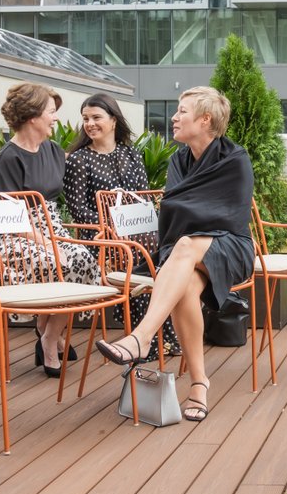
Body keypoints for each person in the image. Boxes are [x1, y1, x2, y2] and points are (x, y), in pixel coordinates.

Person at [94, 86, 254, 423]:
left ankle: (141, 337)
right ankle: (199, 384)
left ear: (205, 119)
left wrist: (189, 216)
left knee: (185, 246)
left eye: (182, 111)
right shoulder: (179, 160)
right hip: (184, 252)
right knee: (185, 288)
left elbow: (223, 215)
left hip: (230, 247)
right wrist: (188, 214)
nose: (174, 117)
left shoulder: (235, 159)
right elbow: (176, 207)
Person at [0, 82, 99, 377]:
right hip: (9, 236)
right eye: (51, 111)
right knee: (55, 260)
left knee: (84, 258)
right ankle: (49, 341)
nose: (55, 117)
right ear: (33, 116)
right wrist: (46, 243)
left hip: (51, 227)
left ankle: (48, 330)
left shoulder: (53, 150)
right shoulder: (7, 158)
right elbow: (1, 217)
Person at [62, 93, 177, 362]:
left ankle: (158, 336)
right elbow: (78, 210)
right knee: (138, 256)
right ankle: (151, 339)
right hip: (100, 237)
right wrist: (112, 227)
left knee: (168, 253)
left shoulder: (131, 154)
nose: (90, 124)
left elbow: (143, 198)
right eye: (86, 119)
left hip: (137, 232)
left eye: (96, 118)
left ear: (113, 121)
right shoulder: (79, 160)